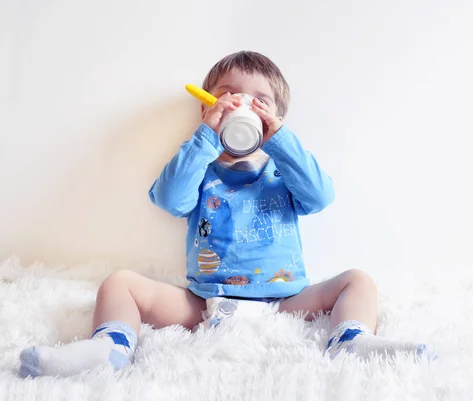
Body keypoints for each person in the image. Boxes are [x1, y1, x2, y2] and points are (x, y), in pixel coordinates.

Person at [19, 51, 434, 378]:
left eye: (258, 101)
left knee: (358, 281)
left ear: (274, 118)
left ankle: (351, 339)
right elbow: (168, 200)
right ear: (207, 108)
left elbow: (321, 197)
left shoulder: (282, 173)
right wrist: (206, 136)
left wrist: (281, 140)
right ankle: (109, 346)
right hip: (203, 302)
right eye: (228, 96)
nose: (241, 104)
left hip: (285, 300)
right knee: (119, 283)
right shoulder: (202, 170)